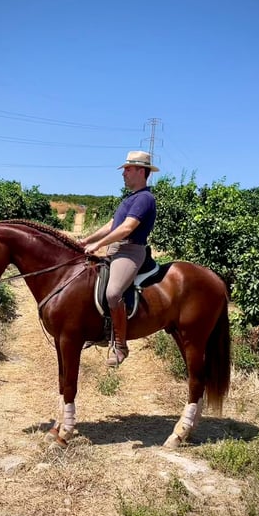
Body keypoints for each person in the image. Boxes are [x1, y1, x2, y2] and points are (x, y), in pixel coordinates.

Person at [79, 150, 158, 367]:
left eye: (128, 169)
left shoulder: (145, 198)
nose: (123, 173)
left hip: (130, 251)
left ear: (141, 171)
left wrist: (99, 245)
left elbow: (127, 228)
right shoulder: (130, 199)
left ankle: (121, 346)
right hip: (116, 249)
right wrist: (87, 240)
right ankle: (96, 331)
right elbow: (111, 226)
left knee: (113, 293)